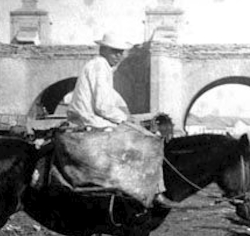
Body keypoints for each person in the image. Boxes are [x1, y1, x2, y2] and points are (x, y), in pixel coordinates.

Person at [66, 32, 181, 209]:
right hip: (91, 120)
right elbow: (102, 106)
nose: (119, 56)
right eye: (115, 51)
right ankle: (155, 191)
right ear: (103, 50)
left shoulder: (99, 65)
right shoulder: (100, 67)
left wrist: (125, 118)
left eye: (121, 52)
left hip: (92, 118)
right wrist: (126, 120)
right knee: (149, 142)